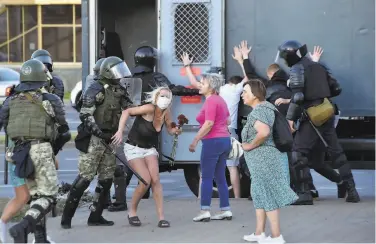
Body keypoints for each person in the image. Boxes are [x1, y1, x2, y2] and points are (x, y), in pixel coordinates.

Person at [109, 45, 200, 212]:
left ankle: (120, 200)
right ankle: (143, 195)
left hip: (131, 123)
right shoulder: (156, 77)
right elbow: (173, 90)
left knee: (127, 164)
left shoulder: (127, 78)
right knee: (149, 163)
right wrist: (198, 91)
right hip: (151, 123)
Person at [277, 40, 360, 203]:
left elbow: (298, 97)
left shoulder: (297, 69)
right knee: (337, 153)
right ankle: (352, 191)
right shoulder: (319, 66)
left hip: (311, 116)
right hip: (327, 112)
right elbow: (336, 88)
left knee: (298, 153)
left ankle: (304, 194)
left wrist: (290, 119)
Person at [60, 56, 134, 229]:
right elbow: (85, 114)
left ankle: (96, 216)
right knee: (85, 178)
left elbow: (130, 108)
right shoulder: (96, 89)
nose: (120, 74)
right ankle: (66, 218)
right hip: (95, 138)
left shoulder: (119, 89)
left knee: (106, 179)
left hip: (110, 139)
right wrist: (99, 133)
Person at [0, 59, 69, 243]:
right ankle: (22, 227)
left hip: (19, 153)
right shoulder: (49, 99)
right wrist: (51, 150)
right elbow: (65, 131)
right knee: (48, 195)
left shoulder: (10, 100)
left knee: (36, 196)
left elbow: (3, 124)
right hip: (41, 148)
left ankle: (39, 239)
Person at [111, 86, 181, 228]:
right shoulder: (149, 108)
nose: (164, 99)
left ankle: (161, 218)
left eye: (167, 96)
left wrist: (176, 130)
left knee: (155, 179)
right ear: (156, 98)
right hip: (134, 147)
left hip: (149, 149)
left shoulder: (166, 113)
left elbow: (170, 128)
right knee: (145, 180)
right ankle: (132, 211)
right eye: (162, 96)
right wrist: (120, 131)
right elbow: (127, 111)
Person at [240, 79, 298, 244]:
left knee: (268, 196)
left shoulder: (259, 111)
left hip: (264, 160)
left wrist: (250, 145)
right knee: (259, 194)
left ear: (255, 94)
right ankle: (259, 233)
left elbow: (264, 132)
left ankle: (276, 235)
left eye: (245, 91)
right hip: (265, 160)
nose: (243, 95)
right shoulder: (268, 107)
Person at [184, 73, 232, 222]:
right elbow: (228, 120)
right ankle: (226, 210)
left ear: (211, 87)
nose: (200, 85)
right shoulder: (221, 100)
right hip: (224, 140)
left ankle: (204, 210)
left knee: (206, 177)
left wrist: (195, 139)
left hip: (212, 141)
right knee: (220, 177)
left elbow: (209, 123)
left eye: (203, 83)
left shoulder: (211, 101)